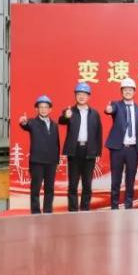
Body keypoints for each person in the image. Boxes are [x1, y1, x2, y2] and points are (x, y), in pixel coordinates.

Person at [59, 82, 102, 212]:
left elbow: (98, 133)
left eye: (84, 94)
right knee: (73, 183)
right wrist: (66, 116)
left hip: (89, 151)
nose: (81, 96)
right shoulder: (69, 111)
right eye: (79, 94)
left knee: (87, 184)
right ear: (75, 96)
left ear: (88, 96)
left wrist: (98, 152)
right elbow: (61, 120)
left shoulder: (94, 114)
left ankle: (85, 209)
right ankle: (73, 210)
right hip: (74, 150)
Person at [104, 77, 138, 210]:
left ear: (134, 91)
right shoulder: (116, 105)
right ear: (121, 92)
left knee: (130, 179)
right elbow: (111, 109)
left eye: (130, 89)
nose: (128, 92)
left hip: (133, 149)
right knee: (115, 180)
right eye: (125, 90)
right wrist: (108, 110)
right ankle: (114, 206)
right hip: (118, 149)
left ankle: (129, 206)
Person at [17, 94, 60, 214]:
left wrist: (57, 160)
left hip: (51, 162)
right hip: (37, 162)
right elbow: (25, 125)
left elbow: (57, 143)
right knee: (35, 189)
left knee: (49, 189)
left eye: (46, 107)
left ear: (50, 109)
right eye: (41, 107)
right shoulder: (32, 122)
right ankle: (35, 212)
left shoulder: (54, 125)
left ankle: (47, 211)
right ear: (36, 109)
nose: (43, 109)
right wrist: (23, 122)